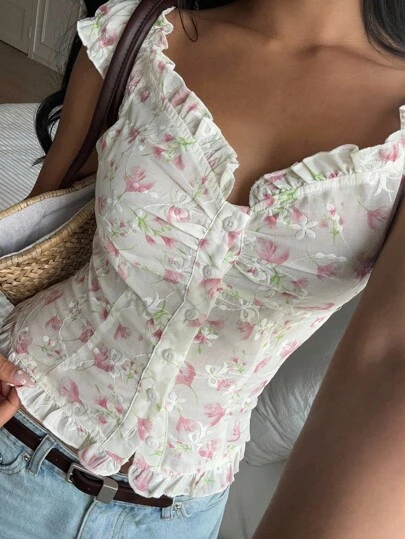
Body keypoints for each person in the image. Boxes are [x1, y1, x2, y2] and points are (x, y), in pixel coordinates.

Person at [1, 0, 405, 537]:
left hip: (179, 516)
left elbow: (389, 356)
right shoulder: (137, 36)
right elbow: (35, 242)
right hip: (17, 439)